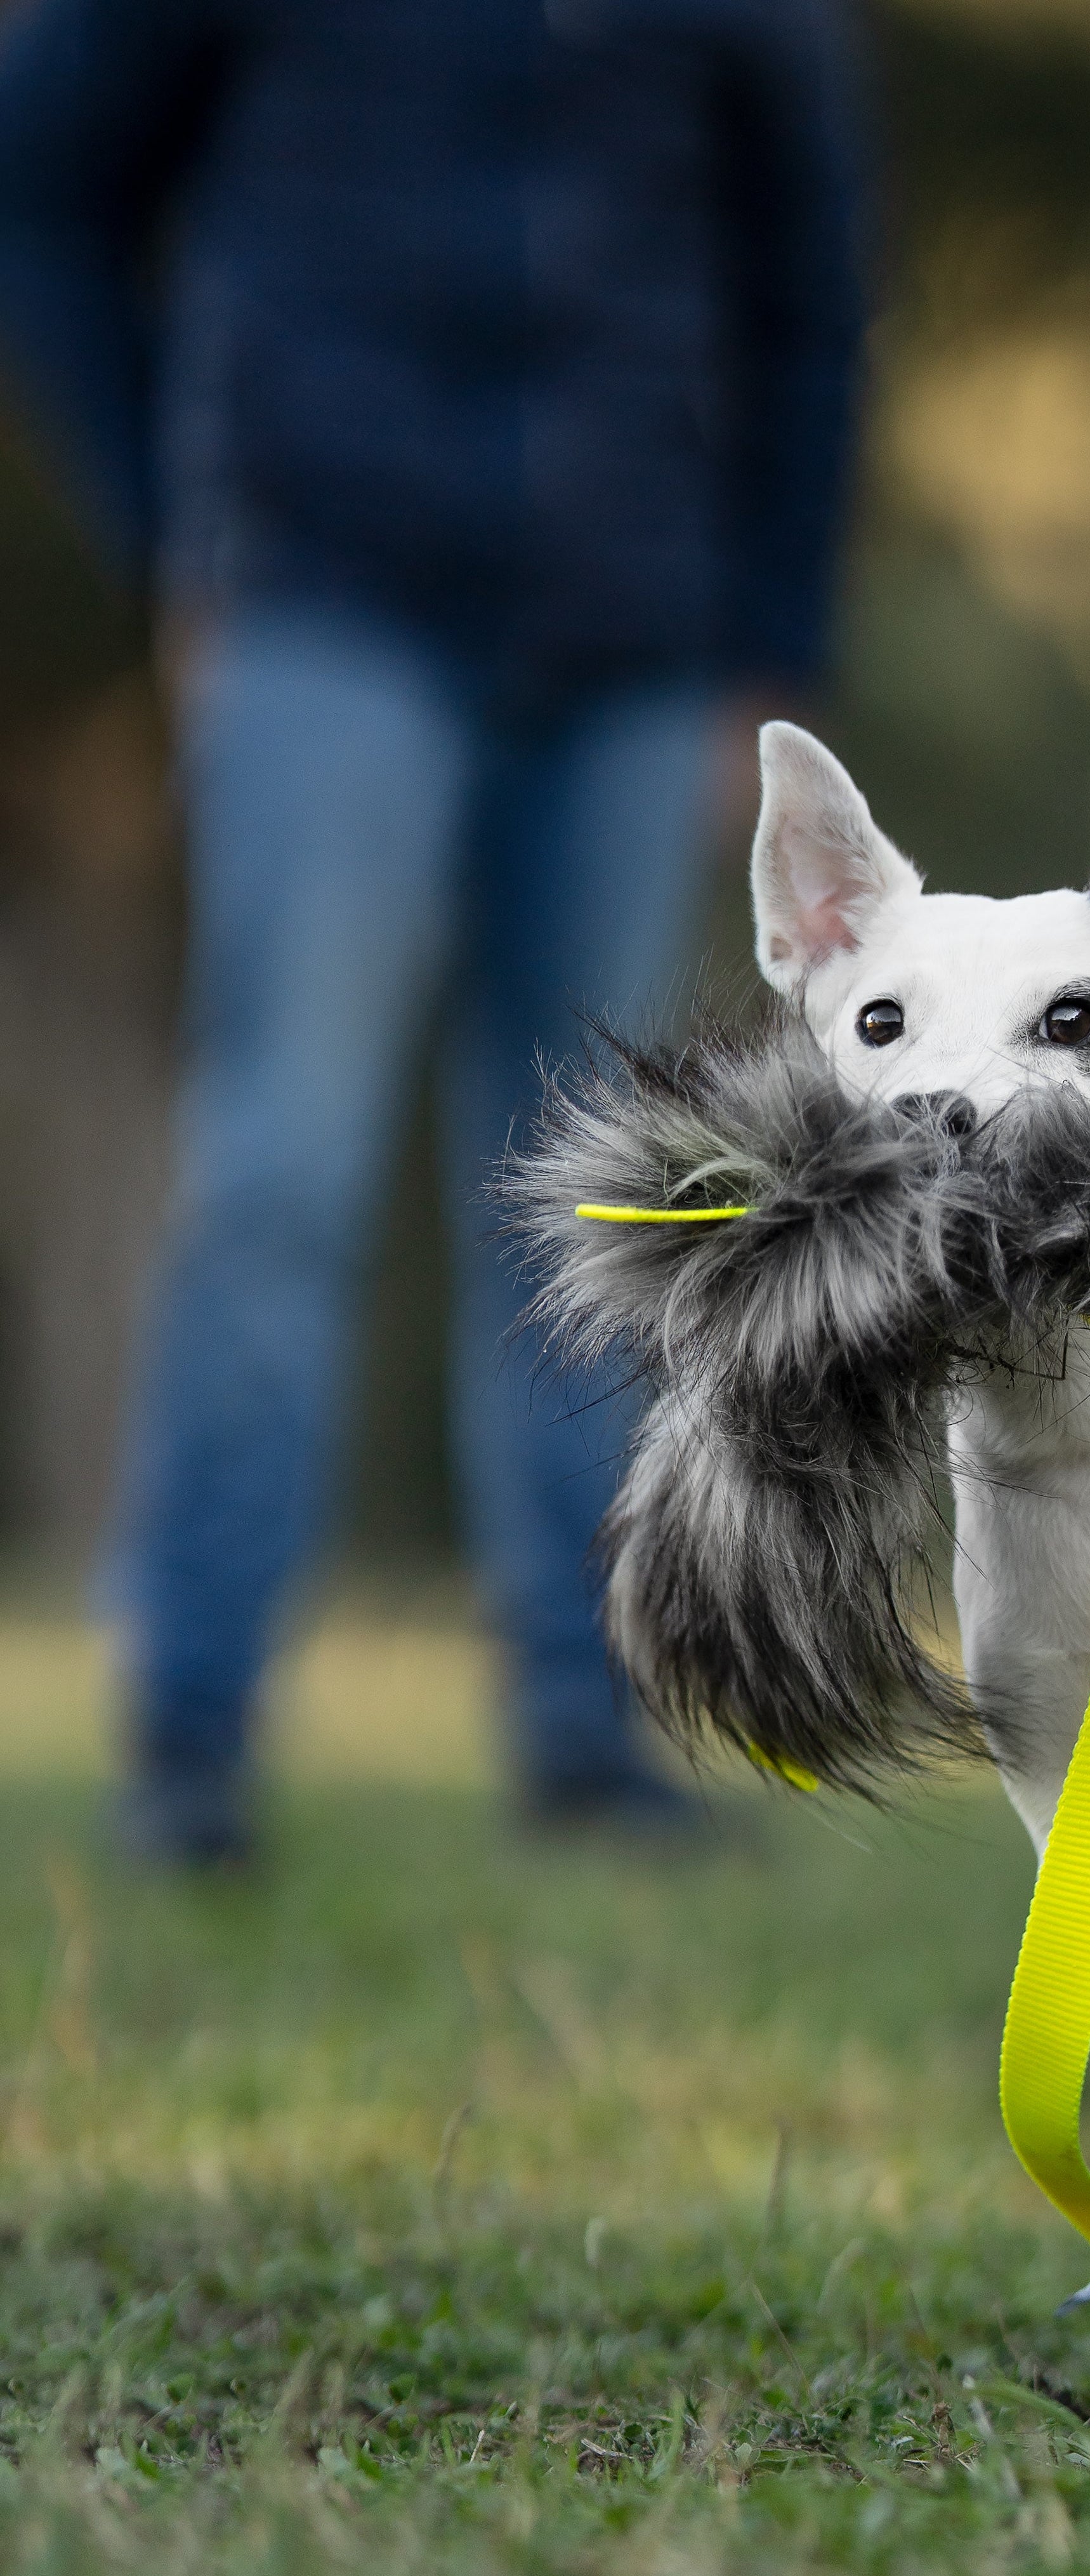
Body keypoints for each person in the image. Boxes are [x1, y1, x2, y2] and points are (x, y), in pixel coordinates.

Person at [0, 0, 871, 1865]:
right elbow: (40, 176)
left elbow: (815, 277)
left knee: (606, 1203)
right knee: (279, 1170)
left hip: (636, 630)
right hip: (321, 607)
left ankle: (593, 1727)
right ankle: (190, 1734)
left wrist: (771, 635)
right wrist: (177, 531)